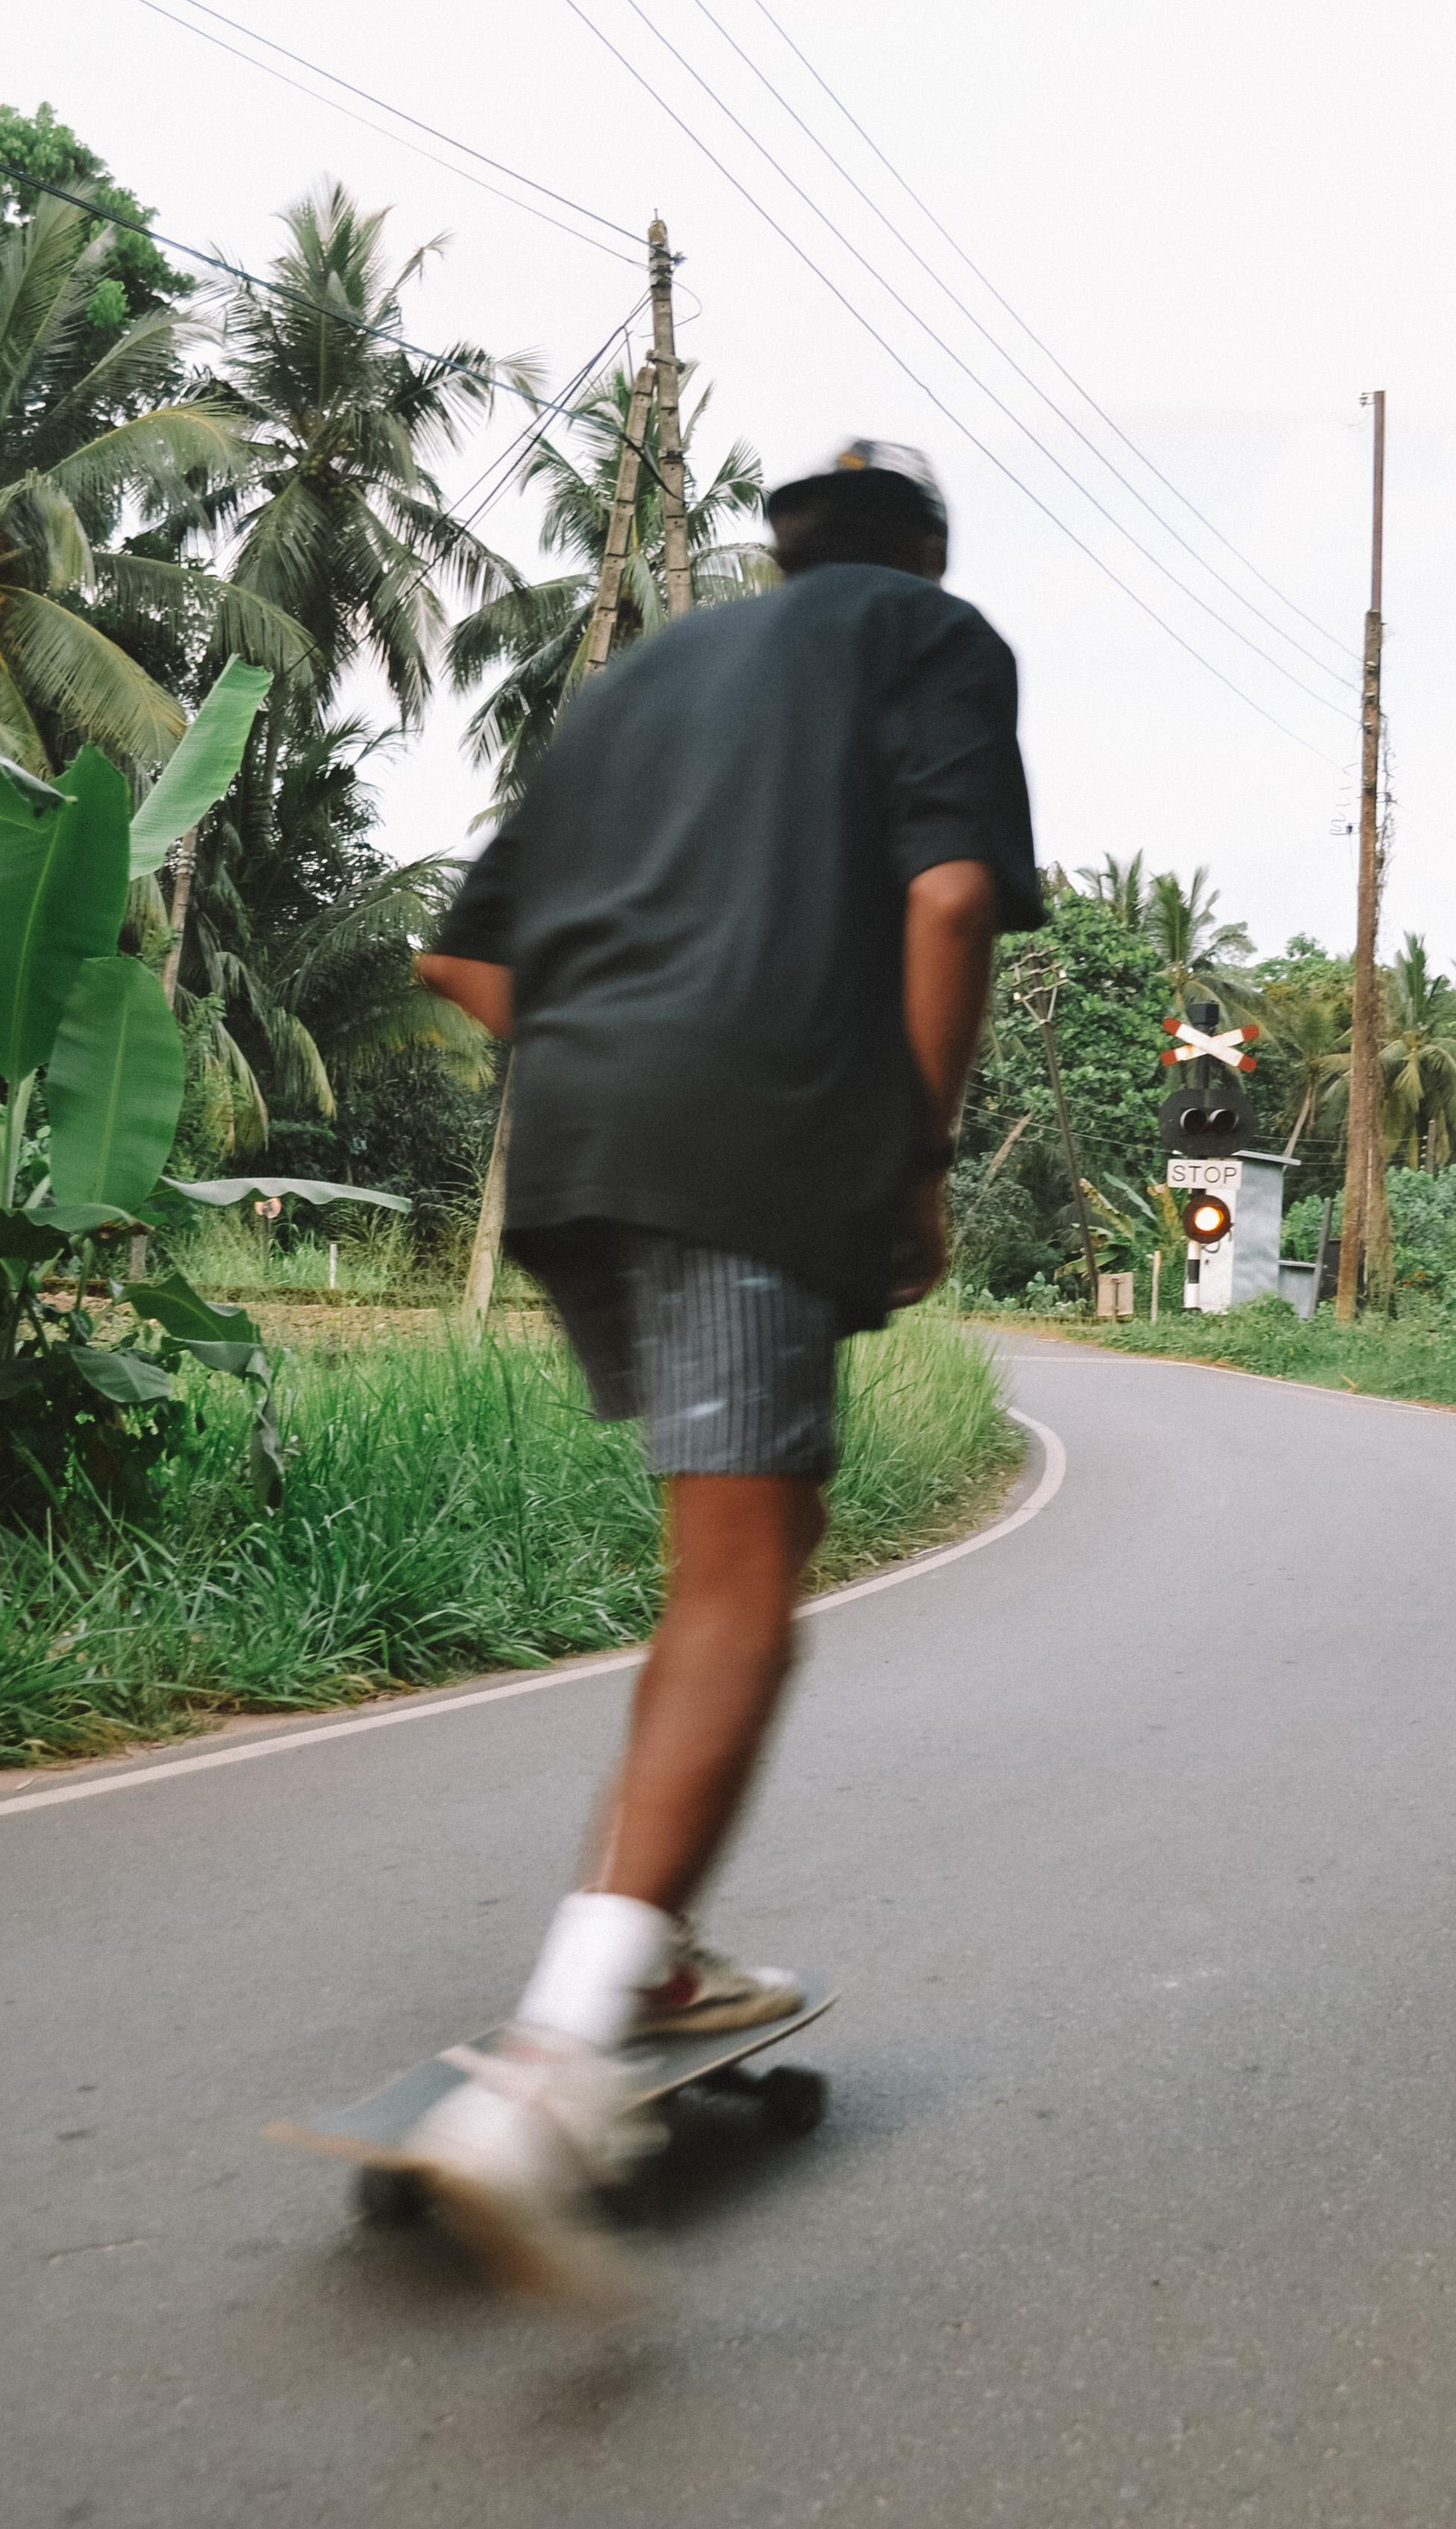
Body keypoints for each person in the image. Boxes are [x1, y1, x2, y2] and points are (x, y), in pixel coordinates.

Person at [409, 438, 1041, 2298]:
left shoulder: (645, 674)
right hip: (748, 1143)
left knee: (718, 1560)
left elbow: (459, 955)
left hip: (583, 1142)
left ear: (774, 551)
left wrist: (623, 1038)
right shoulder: (926, 638)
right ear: (918, 553)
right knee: (742, 1596)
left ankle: (651, 1944)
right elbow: (944, 901)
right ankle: (546, 2069)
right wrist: (905, 1152)